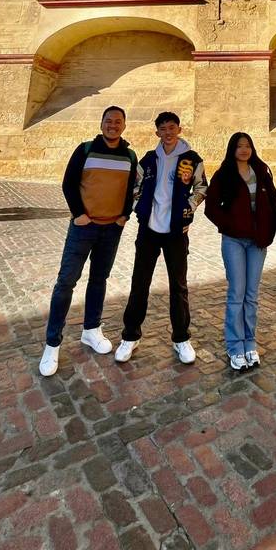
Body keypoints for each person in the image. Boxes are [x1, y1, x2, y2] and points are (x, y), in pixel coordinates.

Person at [39, 106, 137, 377]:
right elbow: (69, 183)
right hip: (84, 227)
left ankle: (91, 330)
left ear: (124, 126)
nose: (113, 126)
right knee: (66, 282)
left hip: (111, 229)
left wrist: (125, 215)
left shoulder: (130, 155)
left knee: (99, 280)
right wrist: (79, 214)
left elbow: (131, 189)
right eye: (109, 121)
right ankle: (52, 343)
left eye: (118, 122)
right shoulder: (85, 150)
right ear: (101, 123)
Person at [116, 111, 207, 364]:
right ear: (157, 132)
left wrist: (187, 208)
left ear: (179, 129)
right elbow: (134, 186)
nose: (167, 132)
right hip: (149, 230)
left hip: (177, 231)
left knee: (179, 286)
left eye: (171, 127)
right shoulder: (148, 159)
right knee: (139, 283)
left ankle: (181, 338)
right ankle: (130, 336)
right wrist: (140, 207)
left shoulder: (192, 159)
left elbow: (201, 187)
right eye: (163, 129)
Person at [205, 132, 276, 371]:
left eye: (247, 146)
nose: (244, 150)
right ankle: (235, 345)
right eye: (239, 146)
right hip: (234, 241)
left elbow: (273, 202)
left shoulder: (262, 171)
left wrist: (268, 231)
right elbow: (211, 207)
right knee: (237, 293)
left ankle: (249, 342)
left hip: (257, 242)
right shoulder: (224, 174)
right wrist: (228, 225)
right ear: (232, 149)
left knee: (252, 295)